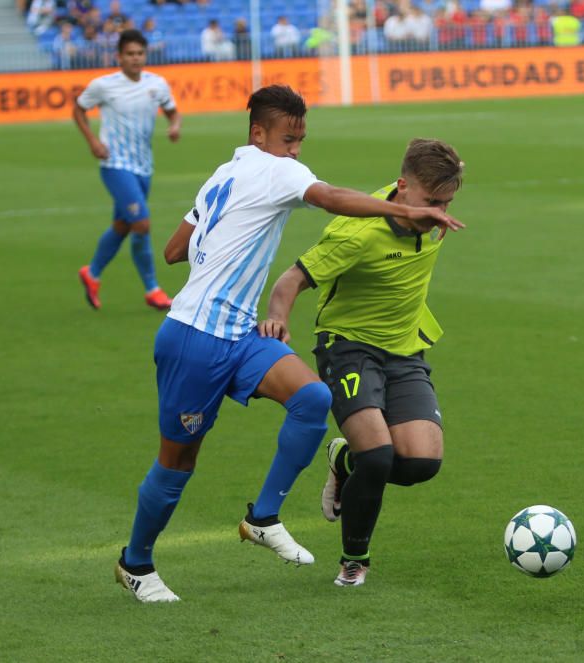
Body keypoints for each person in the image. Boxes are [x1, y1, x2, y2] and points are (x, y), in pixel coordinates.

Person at [114, 86, 464, 603]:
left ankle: (262, 517)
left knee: (313, 399)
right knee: (178, 461)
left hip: (237, 331)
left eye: (301, 139)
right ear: (259, 133)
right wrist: (410, 214)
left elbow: (173, 251)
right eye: (288, 138)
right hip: (194, 338)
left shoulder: (225, 172)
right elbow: (329, 198)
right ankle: (135, 563)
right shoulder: (276, 169)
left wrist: (224, 252)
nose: (296, 149)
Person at [263, 138, 465, 587]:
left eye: (447, 202)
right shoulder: (355, 233)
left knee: (421, 464)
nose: (439, 212)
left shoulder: (431, 214)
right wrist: (277, 321)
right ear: (402, 188)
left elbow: (434, 167)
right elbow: (290, 281)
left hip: (405, 350)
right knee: (378, 456)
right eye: (432, 202)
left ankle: (344, 461)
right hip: (348, 347)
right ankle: (355, 559)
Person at [74, 29, 181, 311]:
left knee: (123, 226)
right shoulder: (103, 85)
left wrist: (174, 125)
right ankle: (152, 289)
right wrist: (93, 141)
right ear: (119, 57)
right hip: (114, 164)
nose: (135, 58)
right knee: (142, 223)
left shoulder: (157, 84)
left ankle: (92, 273)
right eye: (130, 54)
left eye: (139, 53)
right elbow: (78, 109)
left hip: (144, 166)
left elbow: (172, 111)